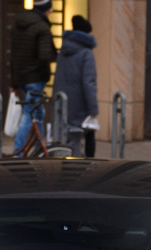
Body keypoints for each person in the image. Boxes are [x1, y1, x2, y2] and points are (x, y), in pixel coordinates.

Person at [10, 0, 55, 155]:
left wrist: (14, 81)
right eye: (50, 10)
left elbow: (13, 55)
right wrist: (45, 76)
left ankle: (40, 149)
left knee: (38, 114)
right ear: (46, 10)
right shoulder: (42, 27)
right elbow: (44, 57)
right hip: (35, 78)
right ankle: (18, 153)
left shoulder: (18, 23)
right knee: (28, 116)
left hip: (21, 77)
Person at [54, 15, 99, 157]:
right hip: (80, 104)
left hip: (63, 102)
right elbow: (89, 83)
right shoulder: (86, 53)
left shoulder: (63, 51)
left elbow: (58, 78)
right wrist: (93, 109)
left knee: (66, 140)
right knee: (89, 133)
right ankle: (89, 165)